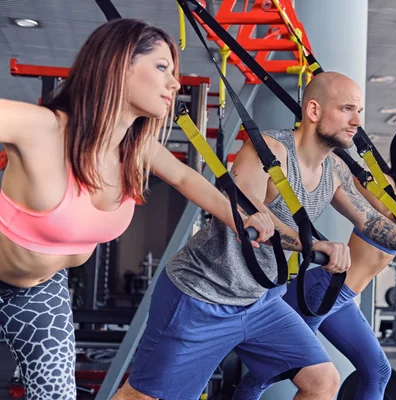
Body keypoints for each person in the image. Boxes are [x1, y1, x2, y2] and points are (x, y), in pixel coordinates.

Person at [113, 71, 396, 400]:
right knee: (143, 394)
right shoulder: (267, 151)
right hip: (202, 294)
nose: (357, 122)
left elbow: (369, 220)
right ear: (313, 110)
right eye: (347, 110)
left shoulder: (334, 168)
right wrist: (314, 245)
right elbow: (247, 220)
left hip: (260, 301)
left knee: (322, 381)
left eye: (359, 111)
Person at [0, 19, 274, 400]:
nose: (175, 83)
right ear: (117, 65)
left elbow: (186, 180)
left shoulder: (135, 149)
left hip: (41, 293)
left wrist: (242, 221)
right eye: (162, 67)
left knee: (56, 395)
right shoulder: (42, 129)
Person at [243, 123, 396, 399]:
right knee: (270, 372)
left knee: (378, 372)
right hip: (323, 290)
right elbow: (374, 202)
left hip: (343, 298)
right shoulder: (384, 186)